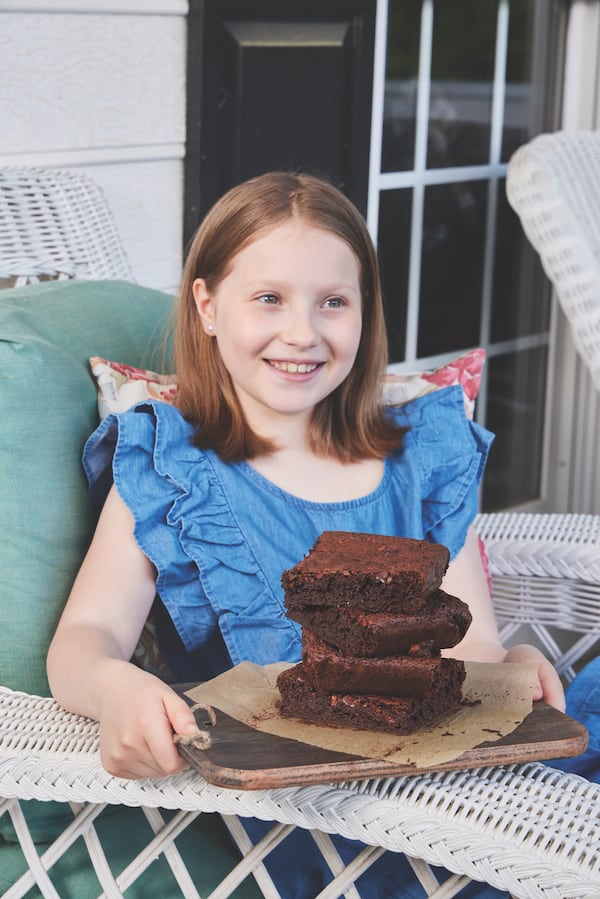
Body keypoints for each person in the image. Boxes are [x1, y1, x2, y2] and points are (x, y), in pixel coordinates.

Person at [47, 171, 565, 897]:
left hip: (453, 787)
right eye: (268, 298)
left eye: (333, 302)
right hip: (308, 814)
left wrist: (511, 661)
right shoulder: (173, 470)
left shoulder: (422, 455)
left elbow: (472, 645)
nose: (303, 332)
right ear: (207, 305)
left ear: (364, 312)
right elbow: (84, 637)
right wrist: (114, 688)